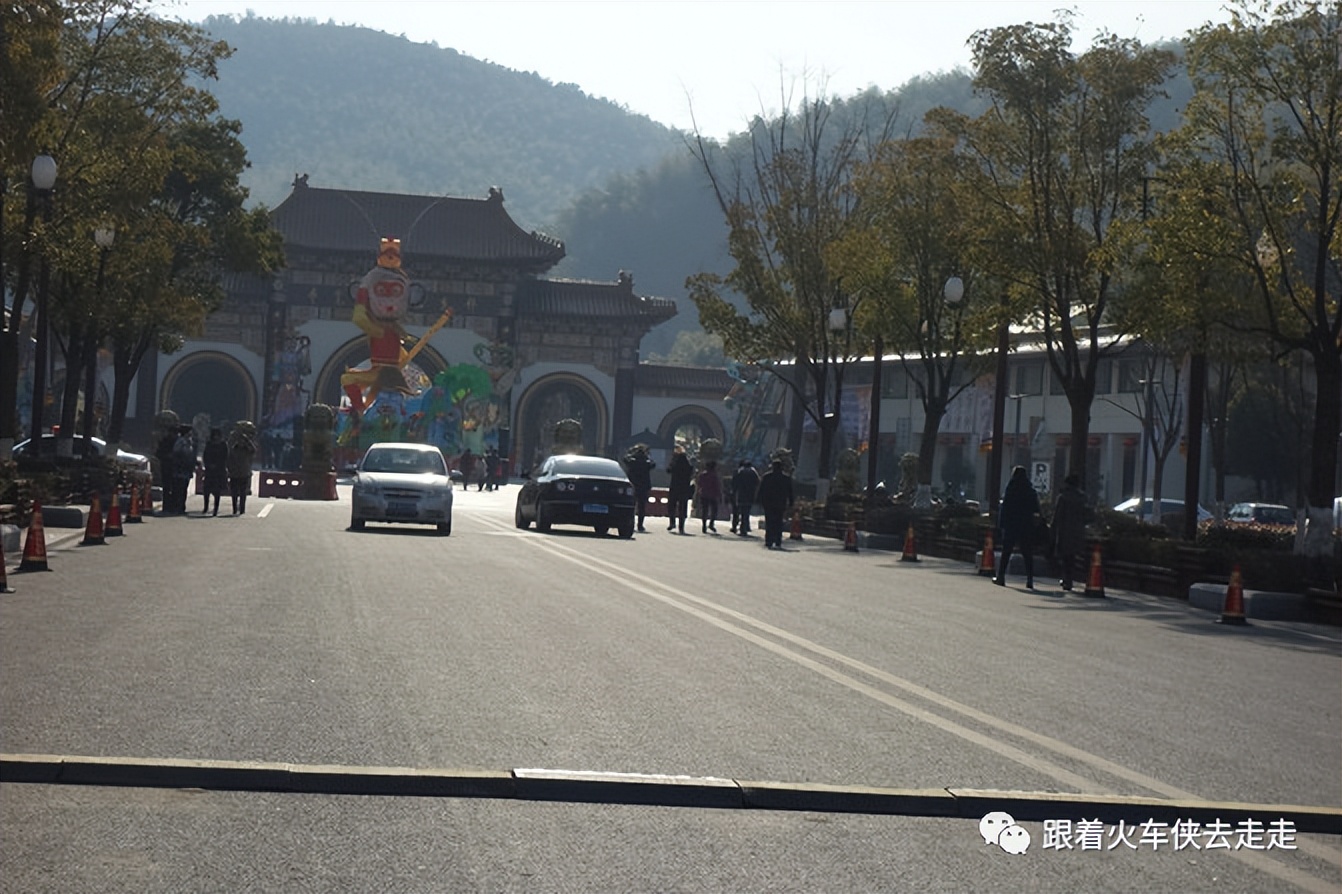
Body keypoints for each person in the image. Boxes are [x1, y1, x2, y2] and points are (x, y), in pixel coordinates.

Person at [995, 465, 1042, 589]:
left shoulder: (1011, 489)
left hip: (1011, 524)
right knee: (1027, 553)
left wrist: (1001, 525)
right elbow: (1036, 509)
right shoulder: (1030, 491)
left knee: (1006, 551)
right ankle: (1030, 579)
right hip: (1026, 525)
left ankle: (1001, 576)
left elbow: (1004, 508)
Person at [1050, 472, 1088, 591]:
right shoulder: (1082, 498)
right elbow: (1087, 515)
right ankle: (1069, 578)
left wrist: (1052, 529)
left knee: (1065, 557)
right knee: (1072, 557)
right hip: (1078, 531)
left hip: (1064, 531)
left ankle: (1067, 579)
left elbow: (1057, 515)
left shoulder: (1063, 497)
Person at [756, 458, 794, 550]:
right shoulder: (786, 478)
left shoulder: (767, 477)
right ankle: (777, 540)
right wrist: (791, 502)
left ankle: (769, 540)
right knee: (778, 522)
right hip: (780, 503)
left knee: (769, 522)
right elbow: (790, 492)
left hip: (768, 503)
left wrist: (758, 500)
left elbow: (761, 490)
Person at [622, 444, 656, 533]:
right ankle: (640, 525)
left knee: (631, 506)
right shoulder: (646, 462)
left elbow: (624, 459)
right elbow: (653, 464)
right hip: (643, 487)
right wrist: (648, 455)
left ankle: (630, 523)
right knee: (642, 507)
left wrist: (630, 452)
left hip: (632, 486)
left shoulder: (632, 461)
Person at [226, 424, 257, 515]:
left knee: (243, 493)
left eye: (243, 441)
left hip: (244, 473)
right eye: (240, 441)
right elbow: (228, 458)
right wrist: (229, 469)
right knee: (234, 493)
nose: (241, 442)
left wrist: (248, 440)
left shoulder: (247, 450)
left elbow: (254, 450)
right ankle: (235, 508)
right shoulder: (233, 449)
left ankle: (242, 508)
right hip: (234, 473)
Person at [666, 445, 694, 534]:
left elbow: (668, 470)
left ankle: (672, 522)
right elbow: (691, 472)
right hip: (684, 487)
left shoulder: (675, 462)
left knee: (672, 505)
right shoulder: (687, 464)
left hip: (674, 486)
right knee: (683, 507)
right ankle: (681, 527)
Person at [201, 428, 229, 516]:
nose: (216, 437)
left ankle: (216, 509)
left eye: (217, 435)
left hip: (219, 470)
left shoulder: (223, 445)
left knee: (217, 491)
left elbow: (225, 457)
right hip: (209, 471)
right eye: (214, 435)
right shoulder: (209, 444)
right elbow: (205, 456)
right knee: (206, 490)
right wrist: (208, 465)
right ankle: (205, 507)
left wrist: (218, 465)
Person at [730, 459, 759, 536]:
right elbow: (757, 483)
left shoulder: (739, 472)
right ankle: (745, 527)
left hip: (740, 494)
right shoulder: (753, 473)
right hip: (750, 495)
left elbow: (734, 484)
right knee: (746, 512)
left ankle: (736, 526)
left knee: (737, 511)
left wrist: (733, 492)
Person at [696, 460, 721, 534]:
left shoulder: (702, 475)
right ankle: (711, 523)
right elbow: (717, 486)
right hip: (713, 495)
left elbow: (699, 484)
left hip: (704, 494)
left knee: (705, 511)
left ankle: (704, 525)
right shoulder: (714, 476)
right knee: (714, 510)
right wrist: (719, 495)